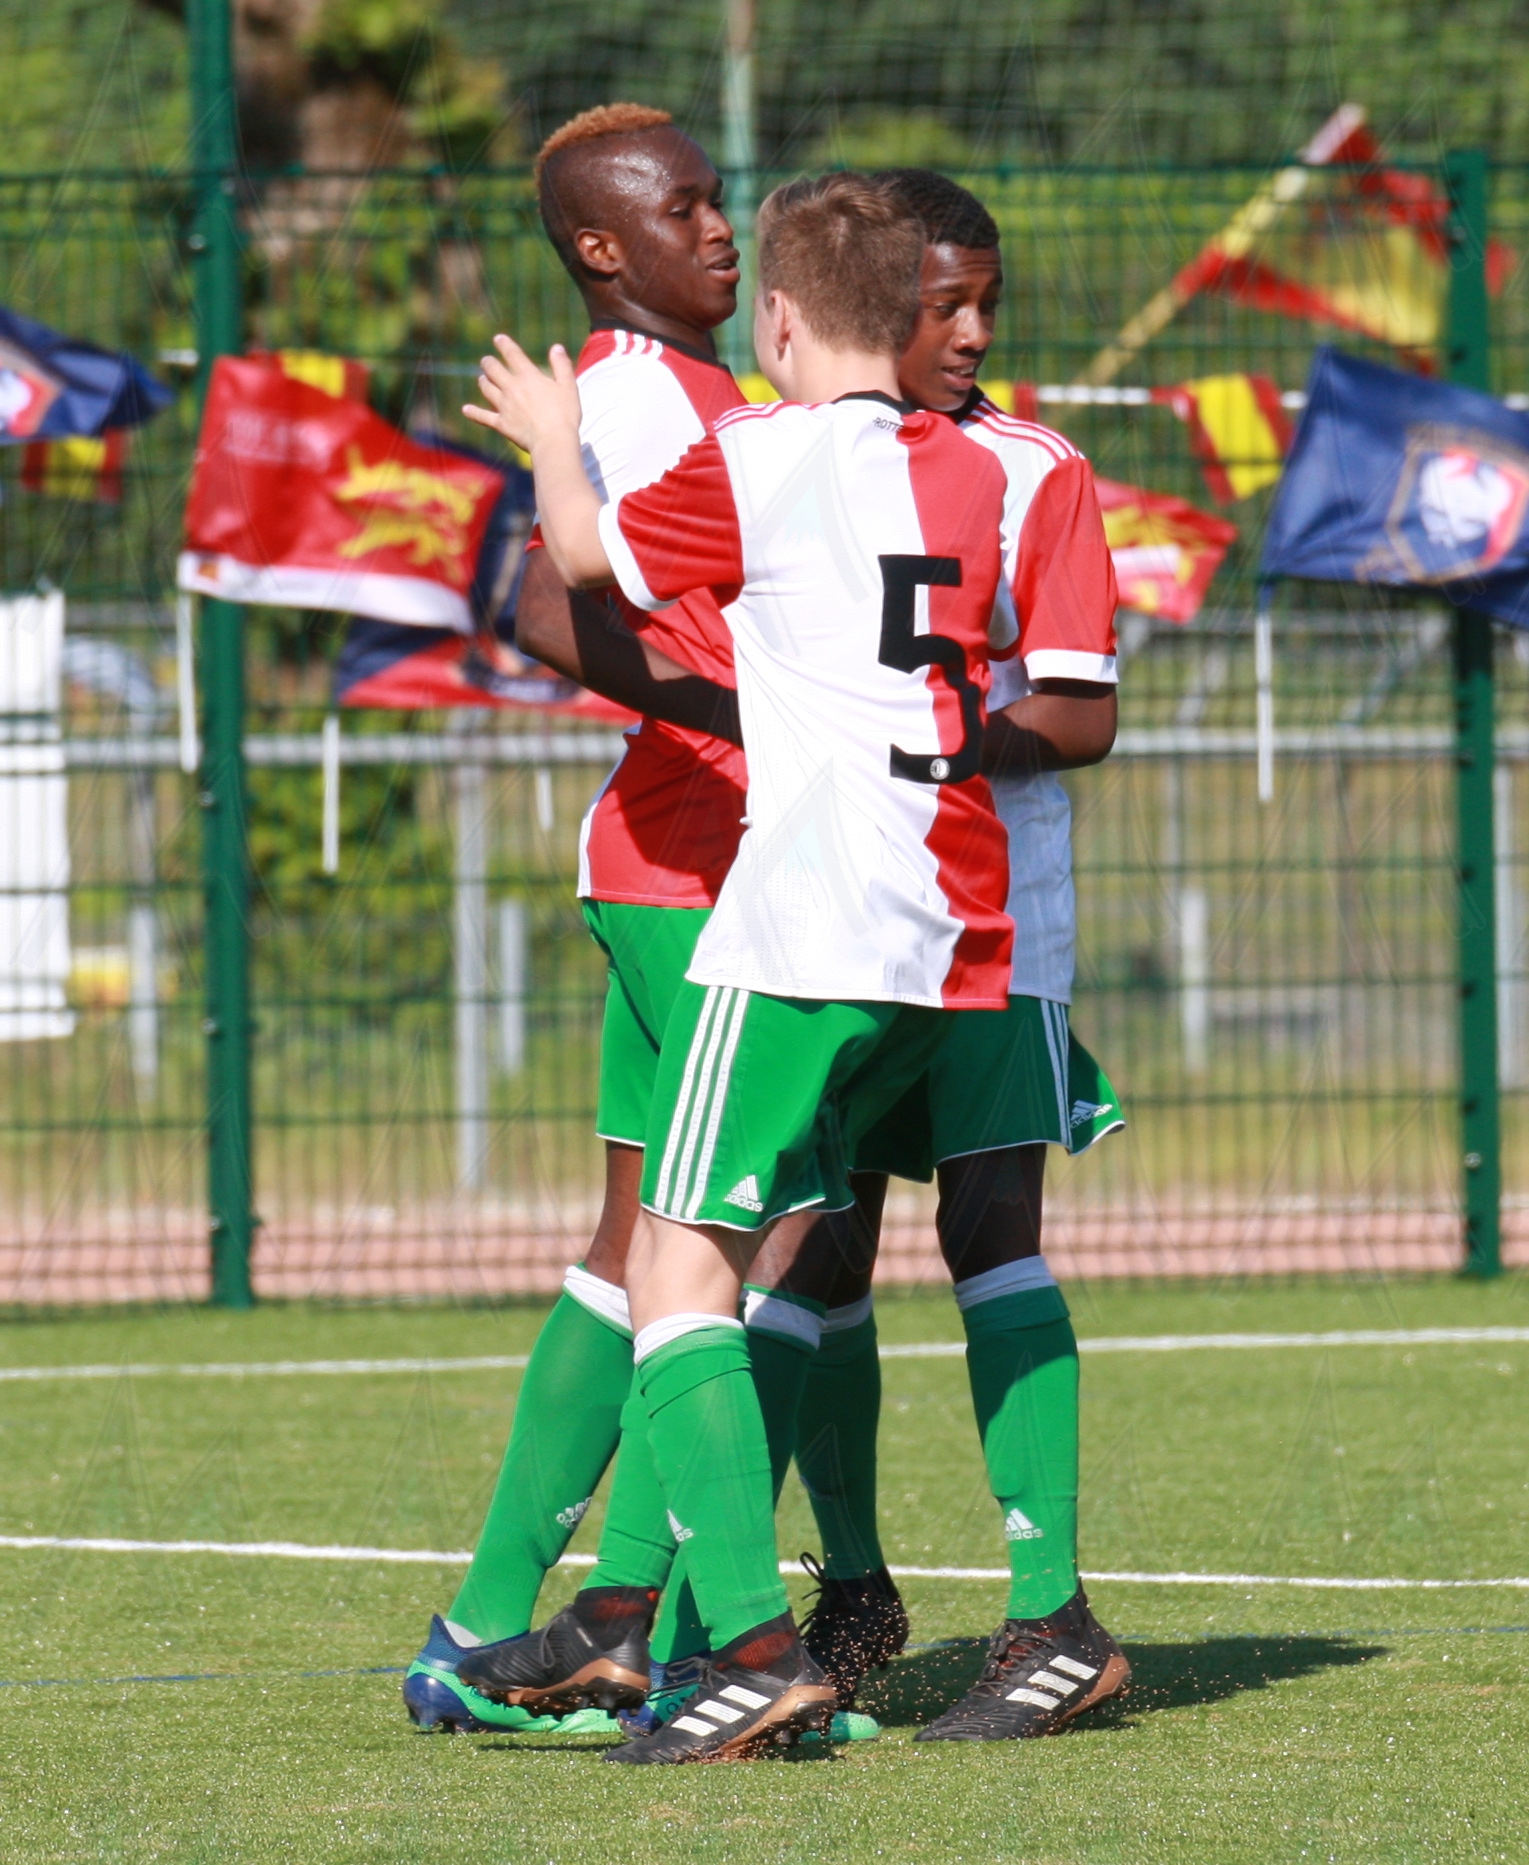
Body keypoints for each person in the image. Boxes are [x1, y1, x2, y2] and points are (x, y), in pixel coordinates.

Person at [469, 168, 1048, 1762]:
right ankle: (718, 1603)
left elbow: (579, 558)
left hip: (803, 915)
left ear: (782, 321)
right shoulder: (973, 469)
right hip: (952, 925)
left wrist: (550, 434)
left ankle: (741, 1644)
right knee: (810, 1247)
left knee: (677, 1266)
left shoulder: (756, 454)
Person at [401, 100, 771, 1737]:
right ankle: (664, 1630)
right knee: (751, 1239)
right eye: (682, 208)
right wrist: (751, 718)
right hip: (702, 863)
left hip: (675, 859)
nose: (720, 226)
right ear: (602, 248)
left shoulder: (702, 389)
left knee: (641, 1242)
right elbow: (547, 601)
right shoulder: (630, 390)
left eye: (720, 198)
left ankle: (490, 1626)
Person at [821, 167, 1130, 1742]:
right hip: (835, 911)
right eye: (942, 302)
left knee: (990, 1224)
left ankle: (1051, 1616)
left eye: (986, 302)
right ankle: (850, 1592)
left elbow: (1082, 706)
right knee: (815, 1241)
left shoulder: (1034, 469)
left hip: (1000, 915)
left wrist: (962, 738)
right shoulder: (799, 455)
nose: (971, 331)